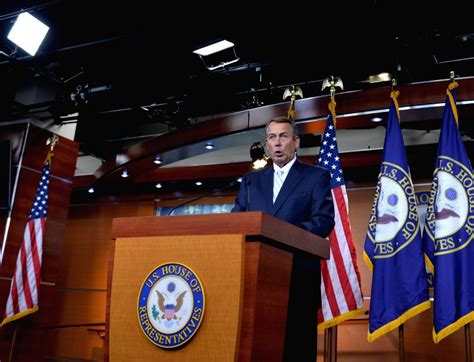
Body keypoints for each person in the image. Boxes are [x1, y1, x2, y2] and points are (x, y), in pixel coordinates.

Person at [232, 116, 335, 361]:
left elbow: (323, 221)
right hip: (256, 281)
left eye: (283, 136)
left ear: (296, 142)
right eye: (272, 137)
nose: (277, 143)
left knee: (295, 351)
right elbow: (236, 222)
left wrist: (281, 231)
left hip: (297, 279)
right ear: (267, 145)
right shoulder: (251, 182)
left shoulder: (316, 177)